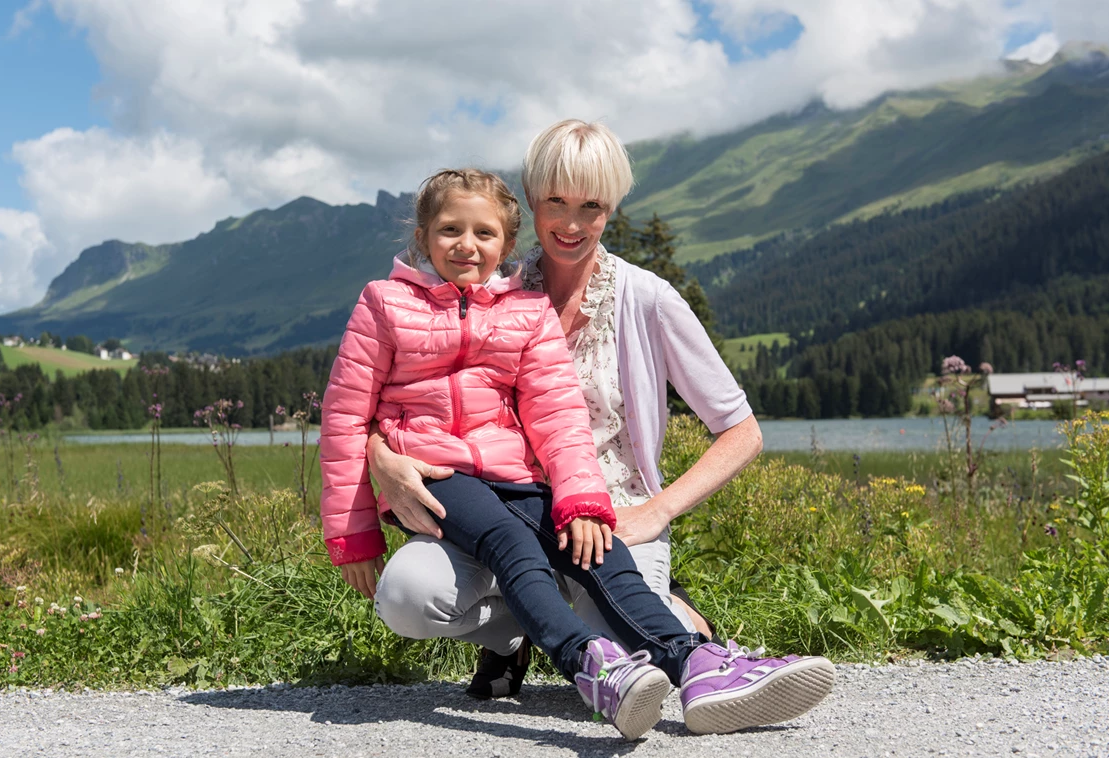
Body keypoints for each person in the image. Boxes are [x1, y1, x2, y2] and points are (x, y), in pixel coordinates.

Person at [321, 167, 833, 738]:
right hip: (435, 470)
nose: (467, 245)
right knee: (510, 541)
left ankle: (696, 660)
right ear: (423, 236)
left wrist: (582, 501)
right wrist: (354, 533)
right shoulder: (384, 304)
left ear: (507, 243)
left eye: (484, 234)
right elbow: (344, 416)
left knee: (595, 546)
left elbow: (558, 416)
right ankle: (588, 663)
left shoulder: (526, 310)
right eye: (450, 230)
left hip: (514, 474)